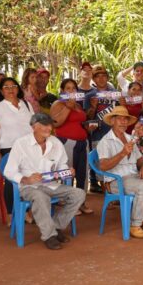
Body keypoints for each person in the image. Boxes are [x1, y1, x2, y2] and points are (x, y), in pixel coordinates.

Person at [4, 113, 86, 250]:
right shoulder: (21, 144)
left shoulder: (56, 142)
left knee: (79, 194)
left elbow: (62, 165)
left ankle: (55, 226)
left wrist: (67, 171)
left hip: (51, 185)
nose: (48, 128)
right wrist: (26, 179)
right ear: (33, 127)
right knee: (40, 197)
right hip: (29, 187)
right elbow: (8, 171)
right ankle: (49, 236)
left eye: (49, 125)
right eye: (44, 125)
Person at [96, 106, 143, 238]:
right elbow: (103, 166)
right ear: (112, 121)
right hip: (116, 181)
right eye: (119, 119)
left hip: (134, 177)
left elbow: (140, 159)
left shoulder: (129, 137)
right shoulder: (105, 141)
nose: (123, 122)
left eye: (125, 119)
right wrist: (122, 153)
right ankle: (135, 225)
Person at [0, 77, 34, 214]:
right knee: (12, 182)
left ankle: (28, 211)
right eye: (6, 87)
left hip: (29, 148)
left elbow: (34, 125)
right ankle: (12, 214)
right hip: (9, 149)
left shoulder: (26, 104)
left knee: (29, 178)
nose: (10, 89)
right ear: (1, 91)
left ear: (18, 88)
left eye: (13, 86)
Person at [50, 78, 92, 214]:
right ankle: (68, 203)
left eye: (74, 88)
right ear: (62, 91)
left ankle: (81, 202)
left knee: (82, 174)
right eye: (68, 88)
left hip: (82, 143)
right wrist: (68, 107)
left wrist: (88, 126)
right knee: (68, 172)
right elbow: (55, 123)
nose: (71, 91)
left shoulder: (78, 106)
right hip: (67, 142)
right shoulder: (58, 104)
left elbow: (81, 122)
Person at [84, 65, 118, 193]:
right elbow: (87, 119)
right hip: (98, 135)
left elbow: (122, 112)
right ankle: (107, 195)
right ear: (94, 79)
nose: (101, 78)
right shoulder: (90, 95)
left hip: (115, 134)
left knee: (115, 164)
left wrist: (123, 102)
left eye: (104, 75)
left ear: (107, 77)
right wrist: (93, 107)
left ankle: (115, 192)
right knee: (102, 165)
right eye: (98, 76)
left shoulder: (115, 93)